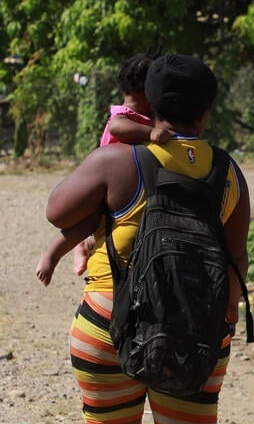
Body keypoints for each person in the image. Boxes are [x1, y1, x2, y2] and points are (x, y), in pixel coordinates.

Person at [43, 53, 254, 424]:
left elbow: (56, 211)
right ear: (207, 112)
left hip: (108, 325)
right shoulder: (228, 172)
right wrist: (224, 326)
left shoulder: (120, 161)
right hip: (195, 330)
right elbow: (236, 259)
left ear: (148, 107)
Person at [34, 53, 172, 286]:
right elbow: (117, 127)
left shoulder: (146, 115)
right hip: (104, 185)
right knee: (90, 221)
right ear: (149, 91)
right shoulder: (124, 115)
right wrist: (151, 133)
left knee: (100, 223)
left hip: (120, 188)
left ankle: (85, 244)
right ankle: (53, 255)